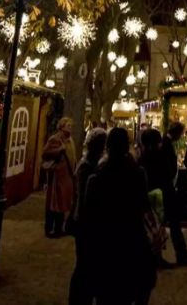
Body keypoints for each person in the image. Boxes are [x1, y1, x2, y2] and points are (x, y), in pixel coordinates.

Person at [81, 128, 156, 305]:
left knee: (106, 295)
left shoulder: (96, 178)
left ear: (108, 147)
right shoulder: (138, 174)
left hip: (104, 243)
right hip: (132, 240)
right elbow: (144, 207)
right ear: (126, 147)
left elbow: (88, 215)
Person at [142, 121, 187, 265]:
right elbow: (164, 170)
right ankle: (176, 253)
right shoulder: (161, 149)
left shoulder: (151, 152)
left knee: (168, 223)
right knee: (168, 223)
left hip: (162, 190)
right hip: (163, 190)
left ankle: (177, 252)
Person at [69, 128, 108, 305]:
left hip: (84, 219)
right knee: (84, 263)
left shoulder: (90, 164)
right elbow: (84, 197)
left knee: (86, 263)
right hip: (86, 220)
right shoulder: (88, 166)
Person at [41, 117, 77, 237]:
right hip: (57, 176)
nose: (70, 128)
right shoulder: (55, 139)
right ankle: (51, 228)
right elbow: (45, 153)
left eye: (71, 126)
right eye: (68, 126)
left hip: (67, 175)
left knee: (63, 203)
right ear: (61, 126)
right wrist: (59, 150)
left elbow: (73, 156)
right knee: (55, 203)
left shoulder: (70, 139)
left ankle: (59, 227)